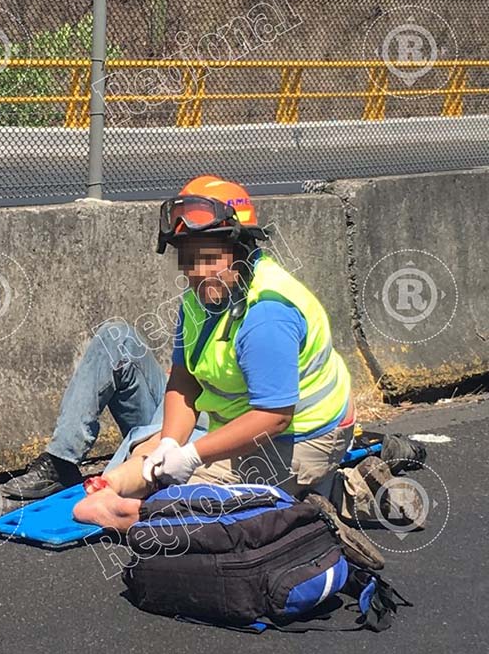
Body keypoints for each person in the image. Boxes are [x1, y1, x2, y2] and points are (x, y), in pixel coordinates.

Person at [66, 176, 382, 568]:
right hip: (239, 423)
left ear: (239, 247)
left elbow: (274, 417)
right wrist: (170, 444)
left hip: (302, 438)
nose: (197, 271)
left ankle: (324, 502)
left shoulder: (267, 314)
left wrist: (193, 455)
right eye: (188, 258)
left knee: (183, 508)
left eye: (209, 256)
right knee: (149, 463)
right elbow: (184, 380)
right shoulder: (199, 298)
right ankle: (305, 494)